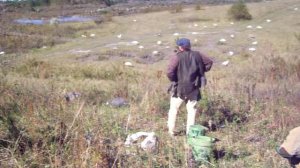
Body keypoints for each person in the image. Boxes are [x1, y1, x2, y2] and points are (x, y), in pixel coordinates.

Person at [166, 38, 213, 136]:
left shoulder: (177, 57)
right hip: (194, 86)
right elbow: (209, 63)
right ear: (189, 46)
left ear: (180, 47)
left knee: (173, 109)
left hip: (179, 88)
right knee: (191, 111)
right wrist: (200, 70)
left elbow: (170, 72)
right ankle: (189, 133)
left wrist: (174, 79)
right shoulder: (198, 55)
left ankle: (171, 131)